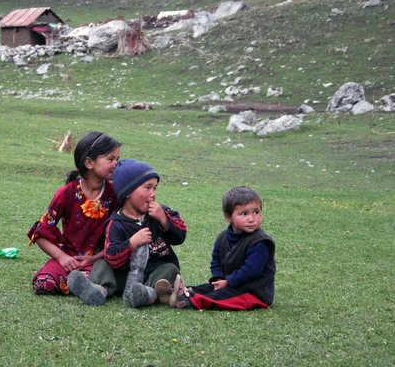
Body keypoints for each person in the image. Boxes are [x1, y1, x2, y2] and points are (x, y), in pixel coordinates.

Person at [27, 132, 121, 302]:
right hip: (68, 260)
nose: (116, 164)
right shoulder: (67, 193)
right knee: (44, 283)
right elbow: (40, 233)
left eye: (117, 159)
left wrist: (93, 258)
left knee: (99, 276)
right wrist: (62, 258)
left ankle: (85, 284)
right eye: (110, 159)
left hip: (99, 261)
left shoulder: (115, 195)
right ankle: (80, 285)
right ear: (89, 162)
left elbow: (122, 237)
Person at [158, 186, 276, 311]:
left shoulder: (260, 242)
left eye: (256, 212)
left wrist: (228, 282)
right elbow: (216, 261)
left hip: (252, 293)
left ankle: (187, 301)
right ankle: (176, 293)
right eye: (244, 214)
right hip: (231, 285)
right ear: (228, 217)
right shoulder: (223, 237)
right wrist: (218, 278)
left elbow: (251, 271)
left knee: (218, 296)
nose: (251, 219)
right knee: (207, 288)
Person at [103, 159, 187, 307]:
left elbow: (180, 236)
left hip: (156, 272)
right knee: (101, 264)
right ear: (128, 192)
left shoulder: (162, 212)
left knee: (171, 269)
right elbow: (112, 257)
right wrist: (132, 243)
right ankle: (100, 290)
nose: (153, 194)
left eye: (155, 188)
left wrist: (164, 220)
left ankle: (148, 293)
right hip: (126, 274)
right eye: (147, 187)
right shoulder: (115, 223)